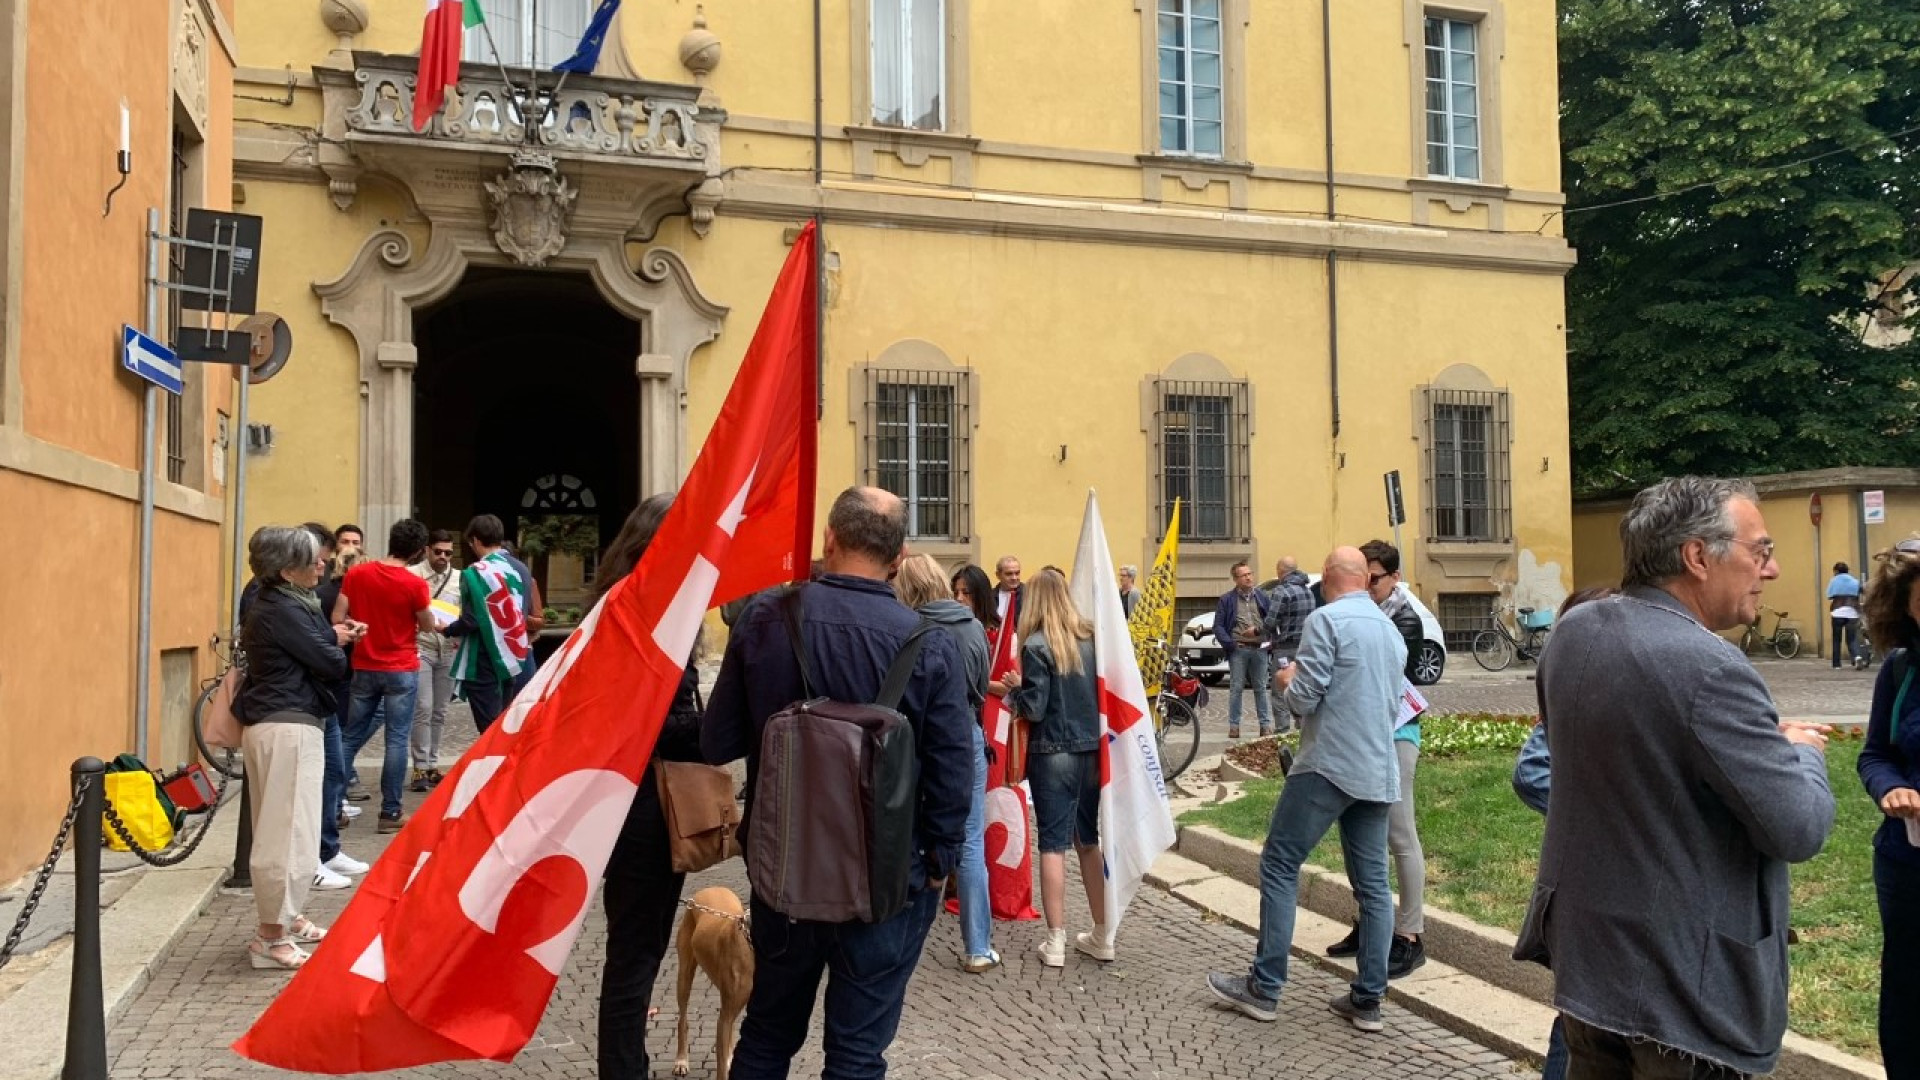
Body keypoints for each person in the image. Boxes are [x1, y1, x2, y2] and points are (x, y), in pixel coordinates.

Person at [1517, 476, 1835, 1078]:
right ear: (1696, 557)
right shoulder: (1713, 667)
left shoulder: (1573, 634)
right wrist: (1799, 752)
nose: (1771, 570)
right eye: (1760, 551)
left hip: (1590, 969)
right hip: (1685, 1000)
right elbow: (1798, 829)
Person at [701, 487, 973, 1079]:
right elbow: (954, 768)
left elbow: (715, 742)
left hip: (785, 869)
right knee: (856, 1051)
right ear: (899, 557)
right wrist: (939, 858)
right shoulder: (929, 644)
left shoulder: (766, 619)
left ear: (829, 539)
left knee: (768, 1035)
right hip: (888, 878)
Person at [1207, 547, 1404, 1031]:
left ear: (1332, 579)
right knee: (1374, 887)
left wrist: (1285, 679)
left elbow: (1305, 698)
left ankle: (1265, 986)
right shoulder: (1390, 630)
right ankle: (1368, 1000)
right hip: (1378, 769)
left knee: (1279, 863)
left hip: (1329, 764)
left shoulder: (1327, 620)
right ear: (1363, 578)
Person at [590, 494, 709, 1080]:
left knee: (636, 949)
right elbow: (658, 722)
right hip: (643, 803)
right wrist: (720, 726)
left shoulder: (624, 601)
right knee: (635, 953)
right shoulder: (649, 611)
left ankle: (627, 1062)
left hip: (629, 798)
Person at [1509, 585, 1620, 1080]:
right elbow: (1531, 773)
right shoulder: (1578, 685)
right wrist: (1606, 815)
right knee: (1579, 1019)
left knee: (1584, 1020)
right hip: (1592, 889)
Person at [235, 526, 357, 970]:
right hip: (287, 723)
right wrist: (337, 643)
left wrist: (332, 641)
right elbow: (329, 663)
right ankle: (271, 937)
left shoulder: (284, 603)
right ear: (287, 570)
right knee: (287, 834)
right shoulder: (283, 609)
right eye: (313, 560)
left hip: (285, 719)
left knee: (292, 828)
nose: (322, 564)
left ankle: (288, 917)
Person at [1324, 540, 1427, 979]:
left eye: (1374, 578)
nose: (1366, 586)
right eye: (1361, 577)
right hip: (1360, 736)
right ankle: (1370, 924)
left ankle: (1409, 935)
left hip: (1396, 732)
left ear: (1393, 579)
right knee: (1359, 836)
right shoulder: (1360, 614)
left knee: (1399, 833)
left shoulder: (1404, 620)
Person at [896, 554, 997, 973]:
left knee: (903, 831)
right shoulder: (972, 626)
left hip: (912, 736)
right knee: (969, 840)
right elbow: (982, 683)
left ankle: (900, 941)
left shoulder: (908, 627)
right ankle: (977, 946)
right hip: (966, 734)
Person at [1002, 569, 1107, 968]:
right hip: (1091, 751)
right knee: (1088, 841)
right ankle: (1102, 933)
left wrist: (1015, 689)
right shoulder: (1091, 638)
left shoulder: (1035, 644)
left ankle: (1057, 940)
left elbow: (1034, 708)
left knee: (1052, 845)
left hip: (1052, 753)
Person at [1858, 535, 1920, 1075]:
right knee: (1907, 989)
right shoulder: (1900, 672)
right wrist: (1889, 788)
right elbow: (1876, 753)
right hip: (1907, 861)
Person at [335, 519, 434, 833]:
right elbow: (428, 624)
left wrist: (358, 627)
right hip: (401, 667)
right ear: (419, 551)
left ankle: (332, 806)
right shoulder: (415, 584)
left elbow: (338, 617)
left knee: (350, 737)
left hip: (365, 664)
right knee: (396, 741)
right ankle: (390, 812)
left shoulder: (357, 574)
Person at [447, 514, 532, 734]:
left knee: (489, 730)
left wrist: (446, 628)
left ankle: (498, 769)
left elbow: (471, 620)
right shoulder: (521, 568)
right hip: (512, 655)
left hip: (483, 657)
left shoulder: (475, 572)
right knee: (503, 726)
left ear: (475, 540)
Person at [409, 530, 459, 791]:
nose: (442, 557)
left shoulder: (459, 579)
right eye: (438, 551)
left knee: (440, 711)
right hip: (421, 647)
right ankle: (419, 766)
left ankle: (432, 763)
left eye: (448, 553)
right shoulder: (413, 575)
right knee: (423, 707)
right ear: (427, 550)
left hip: (448, 649)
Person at [1214, 560, 1274, 738]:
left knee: (1261, 688)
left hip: (1259, 649)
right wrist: (1231, 644)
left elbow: (1271, 620)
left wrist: (1269, 641)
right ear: (1236, 579)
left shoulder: (1262, 597)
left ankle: (1265, 725)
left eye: (1250, 574)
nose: (1248, 577)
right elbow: (1218, 626)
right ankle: (1234, 726)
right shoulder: (1227, 600)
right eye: (1244, 575)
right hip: (1239, 649)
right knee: (1236, 688)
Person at [1262, 555, 1315, 732]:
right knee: (1300, 687)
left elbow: (1271, 621)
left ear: (1280, 571)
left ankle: (1282, 733)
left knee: (1279, 692)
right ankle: (1302, 730)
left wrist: (1256, 632)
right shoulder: (1308, 591)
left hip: (1284, 648)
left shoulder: (1281, 591)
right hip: (1304, 648)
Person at [1830, 561, 1865, 670]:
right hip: (1852, 612)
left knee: (1837, 639)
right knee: (1852, 638)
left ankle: (1836, 664)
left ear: (1836, 571)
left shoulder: (1834, 581)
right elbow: (1862, 591)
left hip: (1837, 612)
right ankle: (1857, 657)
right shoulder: (1854, 581)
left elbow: (1829, 595)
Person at [993, 554, 1024, 624]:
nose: (1014, 578)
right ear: (998, 575)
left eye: (1017, 573)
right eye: (1009, 574)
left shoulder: (1029, 594)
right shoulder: (989, 597)